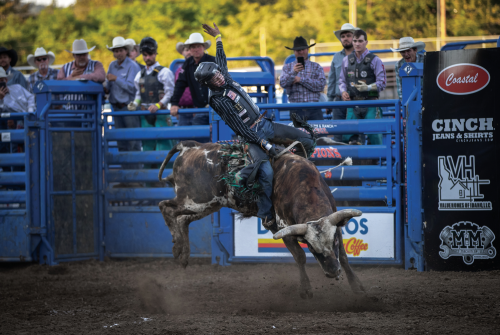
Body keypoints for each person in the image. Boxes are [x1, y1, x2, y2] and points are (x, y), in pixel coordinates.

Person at [197, 23, 317, 224]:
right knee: (266, 172)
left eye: (218, 73)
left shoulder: (223, 78)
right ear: (208, 83)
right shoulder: (217, 100)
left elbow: (221, 60)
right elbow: (241, 127)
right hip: (251, 135)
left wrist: (218, 38)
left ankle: (293, 175)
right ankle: (266, 214)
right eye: (214, 77)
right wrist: (265, 145)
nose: (218, 77)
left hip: (265, 124)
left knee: (307, 139)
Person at [128, 37, 175, 155]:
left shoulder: (165, 72)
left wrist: (158, 105)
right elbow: (139, 94)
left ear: (155, 54)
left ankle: (166, 172)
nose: (147, 58)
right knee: (147, 145)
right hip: (145, 114)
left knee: (164, 145)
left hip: (161, 113)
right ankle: (148, 172)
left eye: (150, 54)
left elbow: (170, 92)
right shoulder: (140, 74)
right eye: (144, 55)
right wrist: (135, 103)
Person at [338, 29, 386, 145]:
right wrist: (343, 91)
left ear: (366, 42)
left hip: (371, 103)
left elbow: (383, 82)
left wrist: (368, 88)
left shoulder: (375, 60)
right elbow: (342, 81)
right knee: (348, 136)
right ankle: (352, 162)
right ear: (352, 42)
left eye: (360, 41)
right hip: (352, 103)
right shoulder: (346, 60)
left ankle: (377, 162)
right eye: (355, 41)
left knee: (375, 136)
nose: (357, 44)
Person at [105, 36, 142, 169]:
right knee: (121, 143)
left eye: (120, 50)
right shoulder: (111, 66)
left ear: (126, 51)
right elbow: (108, 87)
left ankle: (136, 176)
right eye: (116, 51)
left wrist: (116, 79)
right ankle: (125, 176)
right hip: (116, 108)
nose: (118, 53)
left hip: (129, 107)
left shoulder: (133, 66)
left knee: (133, 142)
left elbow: (133, 88)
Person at [170, 33, 215, 127]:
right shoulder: (188, 64)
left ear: (203, 47)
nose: (196, 49)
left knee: (217, 133)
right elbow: (180, 84)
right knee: (198, 131)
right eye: (193, 47)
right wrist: (174, 103)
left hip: (216, 108)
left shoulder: (213, 61)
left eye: (198, 46)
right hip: (200, 109)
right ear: (190, 49)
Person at [279, 36, 326, 121]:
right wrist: (293, 72)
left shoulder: (316, 67)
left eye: (303, 49)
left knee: (318, 134)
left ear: (307, 49)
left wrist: (300, 79)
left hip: (314, 108)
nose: (301, 52)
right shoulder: (288, 67)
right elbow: (282, 84)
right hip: (296, 108)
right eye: (298, 50)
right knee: (298, 134)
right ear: (294, 51)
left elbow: (321, 86)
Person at [326, 23, 357, 142]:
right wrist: (329, 102)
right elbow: (332, 80)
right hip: (338, 101)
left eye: (348, 35)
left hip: (356, 100)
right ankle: (340, 160)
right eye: (343, 36)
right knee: (337, 135)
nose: (345, 38)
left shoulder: (362, 56)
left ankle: (356, 160)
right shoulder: (336, 57)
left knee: (355, 135)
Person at [173, 40, 195, 122]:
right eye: (186, 50)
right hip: (182, 110)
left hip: (198, 110)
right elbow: (176, 89)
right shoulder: (178, 71)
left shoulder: (201, 68)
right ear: (183, 52)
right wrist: (175, 105)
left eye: (190, 49)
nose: (189, 52)